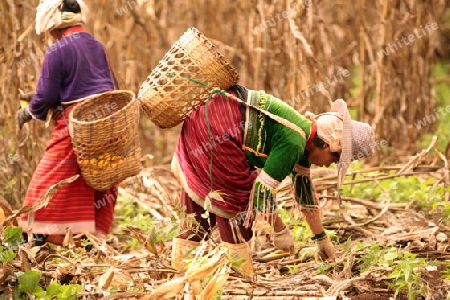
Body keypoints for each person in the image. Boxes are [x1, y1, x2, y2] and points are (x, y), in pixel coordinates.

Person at [170, 85, 376, 275]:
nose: (328, 165)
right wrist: (280, 230)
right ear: (326, 145)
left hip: (205, 119)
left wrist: (321, 240)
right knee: (239, 208)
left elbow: (304, 193)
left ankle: (180, 272)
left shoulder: (304, 138)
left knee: (199, 213)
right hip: (218, 129)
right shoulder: (294, 143)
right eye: (334, 159)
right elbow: (262, 190)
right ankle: (240, 277)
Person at [15, 0, 119, 246]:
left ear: (53, 27)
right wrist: (43, 98)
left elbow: (48, 95)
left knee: (48, 180)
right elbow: (94, 84)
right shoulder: (97, 45)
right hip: (106, 124)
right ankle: (88, 242)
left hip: (77, 126)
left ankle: (36, 236)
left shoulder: (57, 50)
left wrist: (31, 110)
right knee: (92, 182)